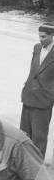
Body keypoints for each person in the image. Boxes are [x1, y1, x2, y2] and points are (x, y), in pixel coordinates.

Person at [20, 23, 54, 158]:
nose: (41, 39)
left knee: (39, 137)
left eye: (44, 37)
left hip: (44, 100)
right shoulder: (37, 48)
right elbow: (33, 70)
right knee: (24, 134)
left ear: (52, 36)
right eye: (39, 36)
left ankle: (36, 169)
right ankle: (22, 163)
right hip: (29, 96)